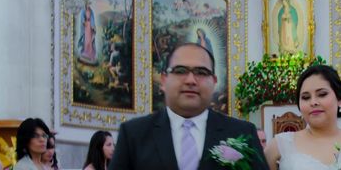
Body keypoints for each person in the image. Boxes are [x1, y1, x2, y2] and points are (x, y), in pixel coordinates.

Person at [109, 43, 267, 169]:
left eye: (201, 72)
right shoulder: (133, 135)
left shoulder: (243, 133)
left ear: (214, 82)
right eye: (180, 70)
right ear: (164, 80)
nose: (191, 80)